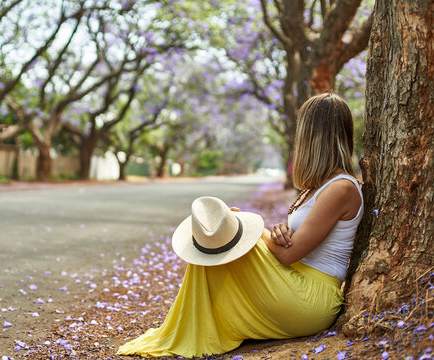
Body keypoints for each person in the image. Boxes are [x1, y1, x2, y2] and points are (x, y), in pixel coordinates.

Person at [117, 93, 364, 358]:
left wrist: (248, 226)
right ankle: (201, 326)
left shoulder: (341, 188)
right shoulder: (318, 187)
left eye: (301, 130)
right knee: (217, 239)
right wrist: (267, 231)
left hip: (312, 298)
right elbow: (293, 245)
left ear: (313, 136)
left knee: (226, 235)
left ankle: (200, 328)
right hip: (295, 281)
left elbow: (288, 254)